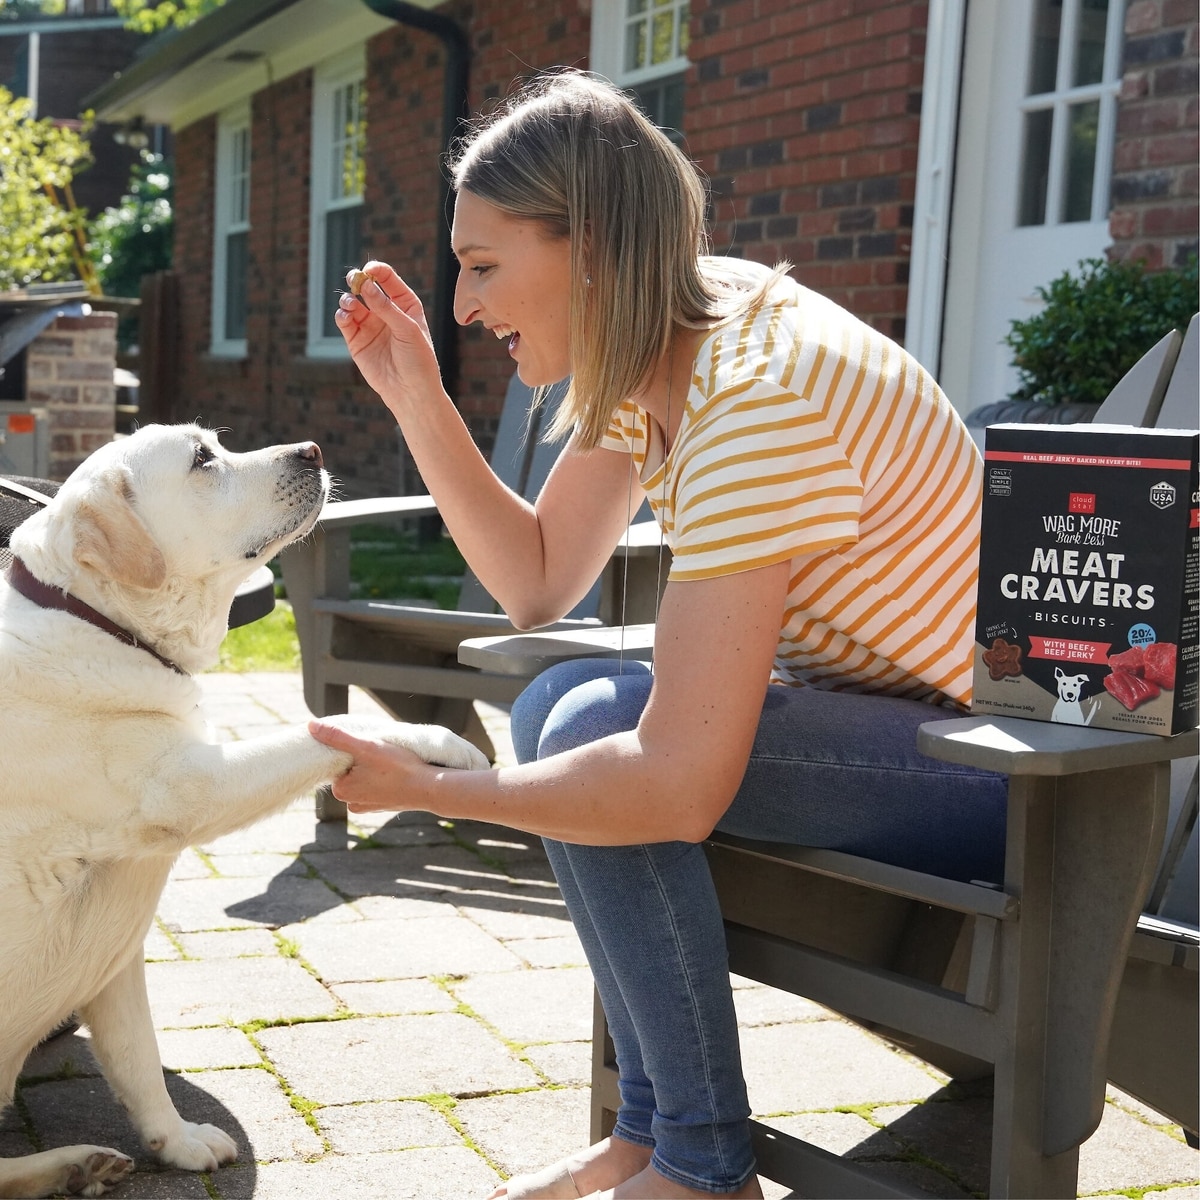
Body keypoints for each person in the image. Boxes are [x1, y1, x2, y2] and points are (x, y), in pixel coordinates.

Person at [308, 69, 1008, 1200]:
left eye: (483, 266)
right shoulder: (671, 330)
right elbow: (539, 581)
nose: (466, 306)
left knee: (592, 728)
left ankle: (699, 1165)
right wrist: (414, 394)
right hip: (896, 735)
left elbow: (679, 787)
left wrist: (435, 789)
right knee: (562, 700)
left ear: (589, 249)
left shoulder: (755, 400)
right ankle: (658, 1134)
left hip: (1014, 781)